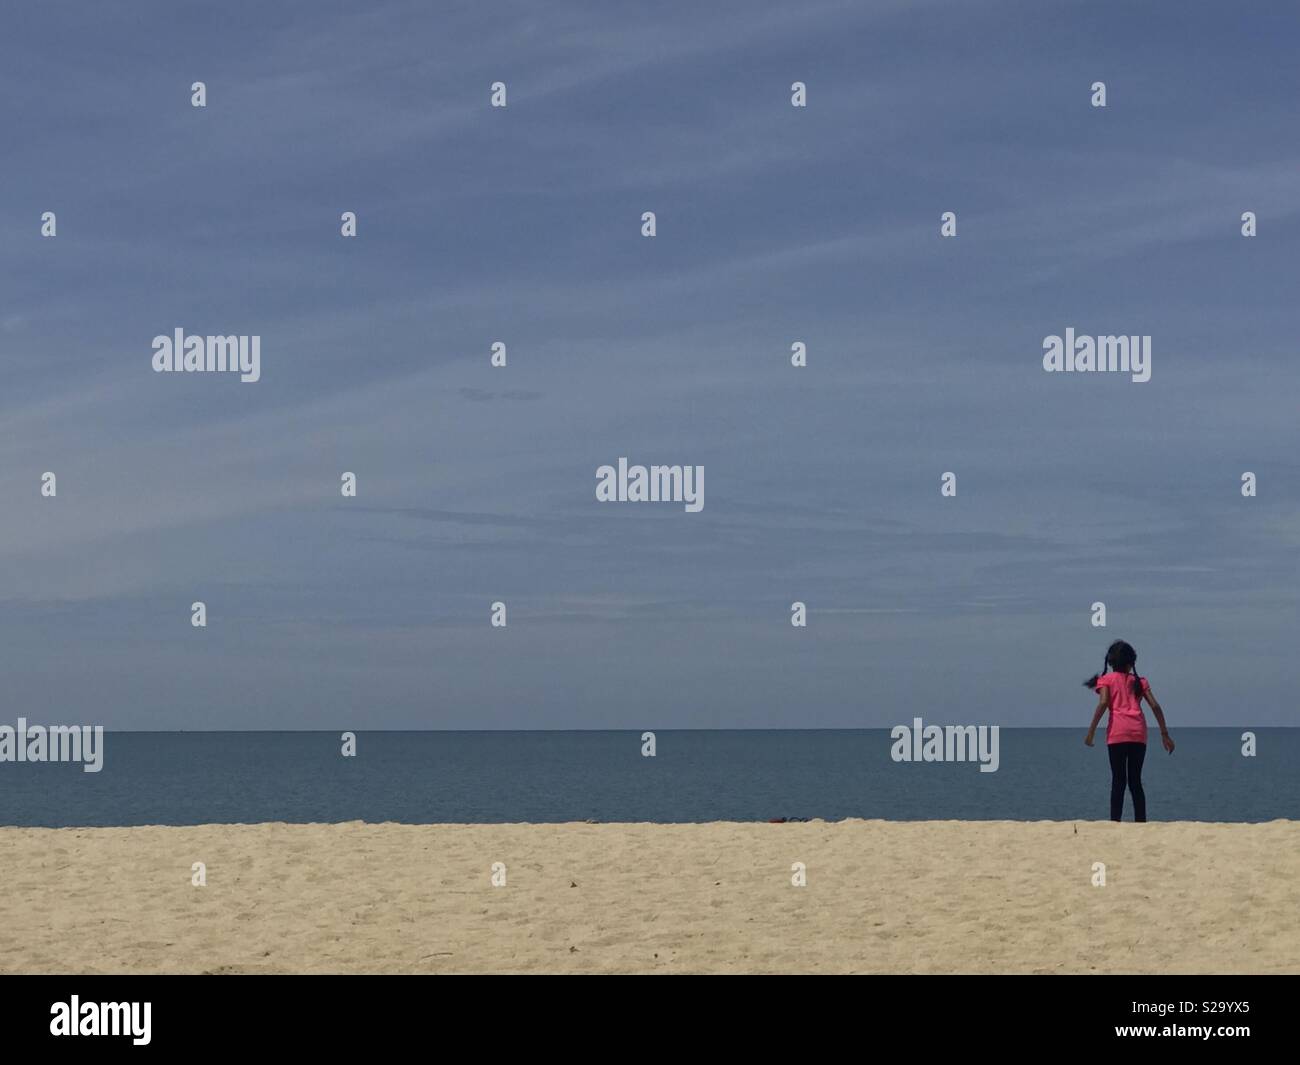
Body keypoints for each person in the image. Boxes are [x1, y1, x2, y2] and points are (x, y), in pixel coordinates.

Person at [1082, 639, 1174, 821]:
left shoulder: (1106, 680)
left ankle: (1115, 822)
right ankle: (1141, 822)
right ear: (1131, 662)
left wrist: (1091, 731)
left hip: (1117, 734)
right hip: (1138, 734)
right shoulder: (1140, 682)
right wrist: (1164, 734)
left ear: (1110, 662)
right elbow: (1155, 706)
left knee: (1118, 781)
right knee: (1135, 781)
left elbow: (1103, 703)